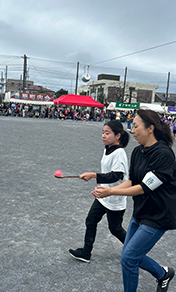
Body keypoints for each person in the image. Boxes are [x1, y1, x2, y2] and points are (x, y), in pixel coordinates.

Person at [93, 109, 176, 292]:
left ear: (150, 128)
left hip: (158, 215)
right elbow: (132, 180)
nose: (133, 130)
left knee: (129, 258)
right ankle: (163, 274)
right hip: (140, 212)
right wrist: (111, 190)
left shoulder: (163, 154)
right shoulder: (138, 151)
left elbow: (145, 187)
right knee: (129, 256)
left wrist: (112, 193)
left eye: (136, 126)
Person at [69, 120, 130, 263]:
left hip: (114, 196)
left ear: (118, 136)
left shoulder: (119, 152)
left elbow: (117, 175)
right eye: (103, 132)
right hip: (102, 195)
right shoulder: (106, 149)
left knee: (115, 229)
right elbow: (107, 173)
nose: (103, 135)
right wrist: (98, 185)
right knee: (91, 220)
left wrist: (94, 175)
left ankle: (135, 249)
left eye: (107, 133)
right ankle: (86, 252)